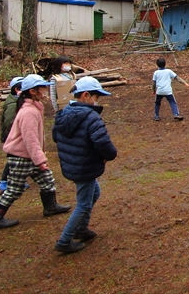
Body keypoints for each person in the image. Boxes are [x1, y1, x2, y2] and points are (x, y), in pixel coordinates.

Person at [0, 74, 71, 230]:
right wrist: (40, 159)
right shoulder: (28, 112)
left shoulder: (34, 107)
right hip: (21, 157)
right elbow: (30, 139)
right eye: (42, 88)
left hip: (30, 156)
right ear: (33, 91)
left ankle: (50, 206)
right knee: (14, 189)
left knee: (47, 179)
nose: (45, 90)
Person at [52, 77, 118, 254]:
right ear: (86, 95)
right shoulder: (91, 116)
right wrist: (108, 156)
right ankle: (65, 240)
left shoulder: (64, 113)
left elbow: (55, 136)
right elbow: (103, 142)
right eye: (97, 97)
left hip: (73, 164)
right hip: (84, 166)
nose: (97, 101)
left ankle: (81, 228)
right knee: (83, 203)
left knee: (94, 192)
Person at [0, 76, 24, 191]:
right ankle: (4, 181)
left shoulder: (16, 100)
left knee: (19, 158)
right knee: (13, 158)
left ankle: (15, 181)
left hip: (13, 136)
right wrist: (15, 135)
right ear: (17, 89)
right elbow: (9, 122)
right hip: (11, 136)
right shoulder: (12, 104)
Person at [152, 57, 189, 121]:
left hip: (159, 91)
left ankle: (156, 116)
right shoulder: (168, 71)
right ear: (165, 64)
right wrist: (185, 83)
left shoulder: (156, 73)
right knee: (173, 102)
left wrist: (154, 91)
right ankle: (176, 114)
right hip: (168, 91)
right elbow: (177, 78)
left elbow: (154, 83)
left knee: (157, 103)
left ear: (157, 64)